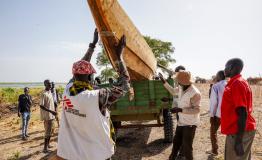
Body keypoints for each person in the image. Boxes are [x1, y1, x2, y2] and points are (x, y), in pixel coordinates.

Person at [57, 29, 131, 160]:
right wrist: (119, 57)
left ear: (74, 75)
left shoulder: (68, 91)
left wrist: (92, 45)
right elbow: (125, 85)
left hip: (72, 155)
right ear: (90, 76)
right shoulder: (97, 97)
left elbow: (80, 69)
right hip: (97, 154)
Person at [159, 71, 201, 160]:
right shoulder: (181, 88)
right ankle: (172, 157)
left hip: (190, 124)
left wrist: (180, 110)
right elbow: (173, 92)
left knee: (187, 147)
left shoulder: (195, 93)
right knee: (176, 142)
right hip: (181, 122)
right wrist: (163, 81)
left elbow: (197, 110)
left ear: (182, 81)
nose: (177, 82)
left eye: (178, 81)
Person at [221, 58, 256, 160]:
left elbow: (242, 113)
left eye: (226, 67)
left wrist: (239, 141)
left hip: (238, 132)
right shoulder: (237, 82)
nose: (224, 70)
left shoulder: (237, 84)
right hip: (239, 130)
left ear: (231, 68)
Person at [207, 70, 227, 156]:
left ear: (218, 76)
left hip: (218, 114)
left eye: (216, 76)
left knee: (213, 132)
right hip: (228, 114)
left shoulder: (216, 86)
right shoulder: (229, 84)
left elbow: (214, 103)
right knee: (230, 134)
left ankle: (214, 150)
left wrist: (212, 115)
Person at [40, 79, 57, 153]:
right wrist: (51, 111)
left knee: (50, 132)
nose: (50, 85)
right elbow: (41, 106)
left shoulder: (50, 92)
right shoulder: (43, 93)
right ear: (45, 85)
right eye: (49, 84)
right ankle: (45, 149)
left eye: (50, 84)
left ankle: (48, 145)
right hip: (47, 116)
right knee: (47, 133)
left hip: (52, 116)